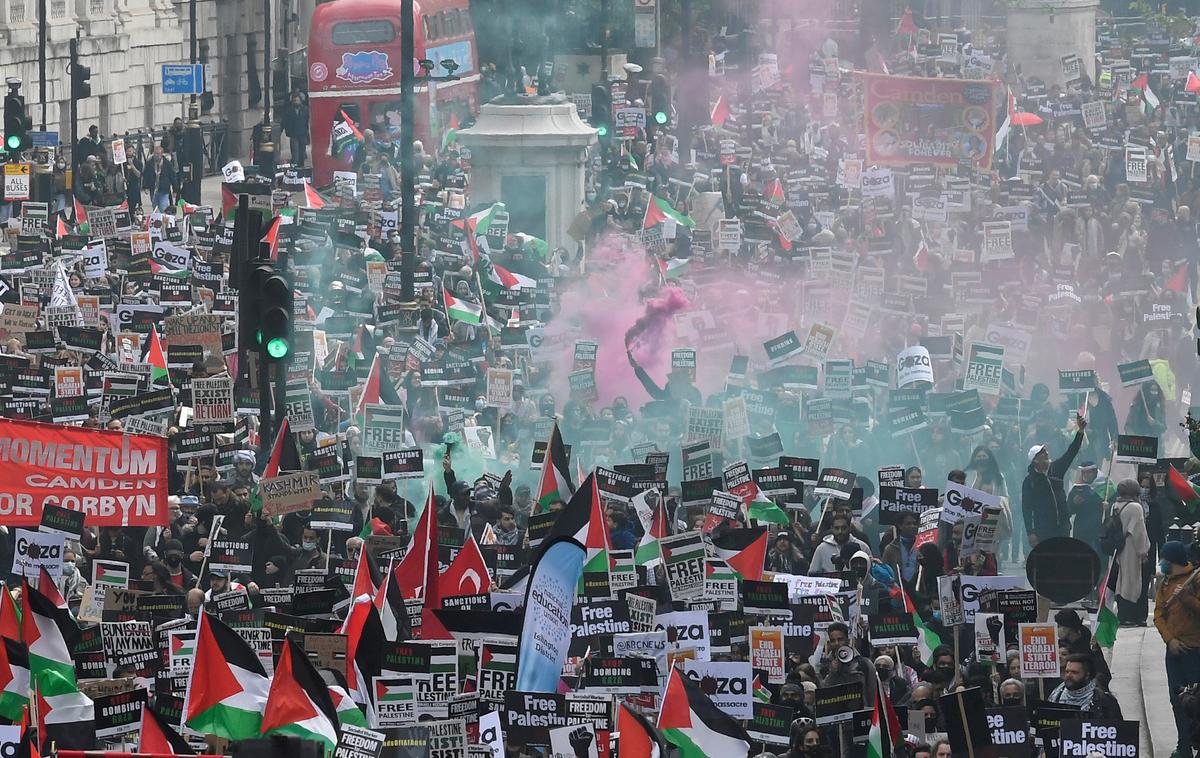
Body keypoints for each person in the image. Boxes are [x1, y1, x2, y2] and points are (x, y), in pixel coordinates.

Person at [1155, 540, 1200, 758]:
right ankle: (1183, 746)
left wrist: (1187, 598)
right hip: (1174, 652)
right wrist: (1169, 639)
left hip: (1195, 650)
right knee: (1177, 700)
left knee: (1195, 702)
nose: (1161, 562)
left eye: (1164, 558)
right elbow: (1158, 615)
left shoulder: (1196, 579)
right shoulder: (1164, 583)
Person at [1021, 417, 1086, 546]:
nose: (1046, 454)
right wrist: (1030, 532)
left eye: (1045, 451)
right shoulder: (1029, 481)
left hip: (1063, 527)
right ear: (1035, 460)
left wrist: (1080, 431)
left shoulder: (1056, 469)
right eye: (1042, 453)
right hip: (1043, 530)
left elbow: (1071, 452)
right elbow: (1026, 509)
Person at [1111, 478, 1152, 625]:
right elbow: (1139, 532)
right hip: (1132, 549)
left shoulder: (1115, 505)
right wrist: (1144, 552)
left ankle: (1124, 614)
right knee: (1134, 582)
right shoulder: (1135, 507)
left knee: (1122, 582)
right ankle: (1135, 616)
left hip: (1119, 548)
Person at [1047, 654, 1122, 718]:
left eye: (1074, 672)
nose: (1069, 675)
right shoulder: (1056, 696)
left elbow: (1117, 729)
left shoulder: (1104, 701)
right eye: (1067, 671)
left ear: (1087, 675)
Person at [281, 91, 310, 167]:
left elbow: (307, 120)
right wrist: (286, 131)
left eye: (297, 100)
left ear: (300, 101)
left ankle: (301, 166)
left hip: (302, 133)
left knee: (302, 151)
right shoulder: (289, 111)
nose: (296, 102)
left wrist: (307, 130)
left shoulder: (305, 109)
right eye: (294, 100)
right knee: (295, 152)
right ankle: (295, 166)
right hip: (293, 134)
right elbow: (285, 122)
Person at [145, 145, 176, 211]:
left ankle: (163, 220)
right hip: (153, 190)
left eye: (158, 154)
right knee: (155, 208)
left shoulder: (167, 164)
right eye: (155, 153)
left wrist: (175, 189)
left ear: (162, 154)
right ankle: (157, 220)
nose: (156, 155)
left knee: (163, 207)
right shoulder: (149, 163)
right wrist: (145, 187)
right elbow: (146, 175)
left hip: (164, 189)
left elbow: (173, 177)